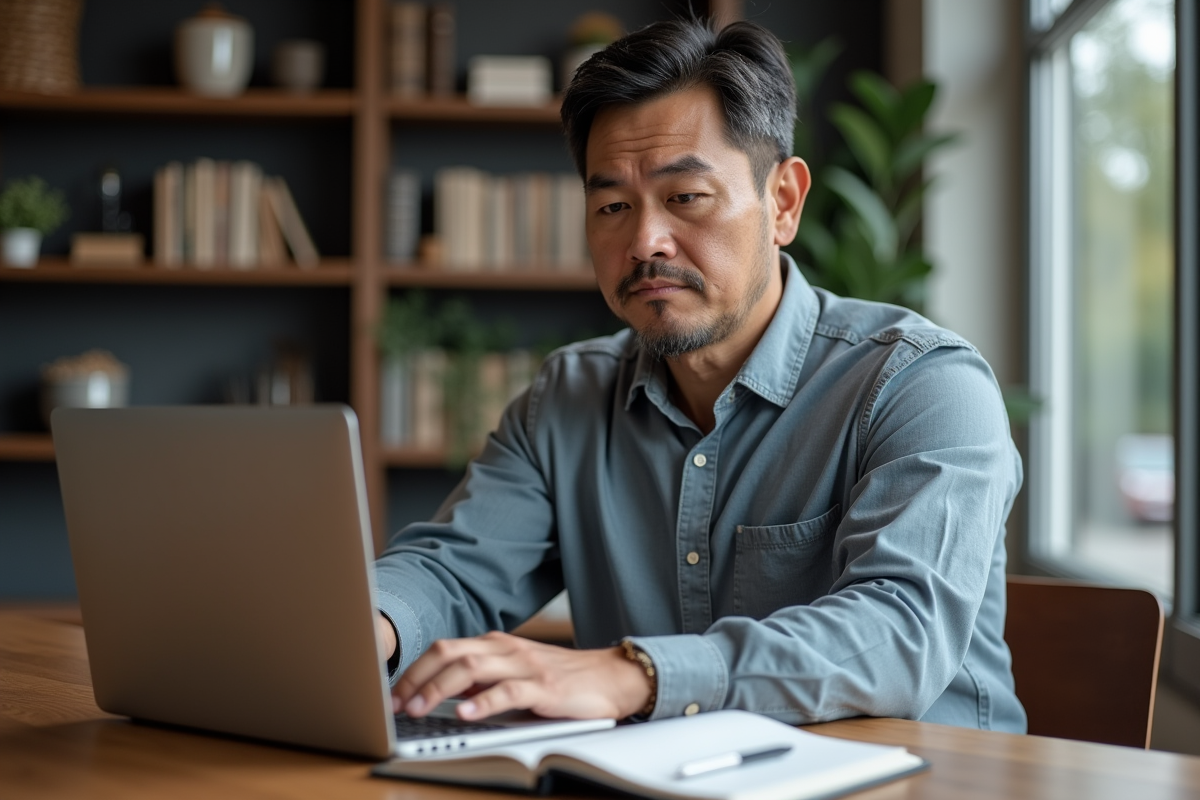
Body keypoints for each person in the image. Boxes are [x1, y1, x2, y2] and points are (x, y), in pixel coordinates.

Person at [373, 16, 1026, 732]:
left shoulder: (922, 385)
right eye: (612, 206)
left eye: (685, 197)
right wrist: (371, 625)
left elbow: (899, 632)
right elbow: (453, 569)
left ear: (783, 202)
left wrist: (637, 675)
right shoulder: (568, 397)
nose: (644, 241)